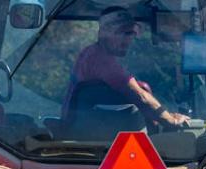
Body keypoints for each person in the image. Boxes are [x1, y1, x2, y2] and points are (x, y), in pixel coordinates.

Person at [62, 6, 190, 127]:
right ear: (102, 33)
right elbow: (140, 97)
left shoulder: (90, 53)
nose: (127, 40)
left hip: (86, 131)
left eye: (130, 33)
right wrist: (170, 120)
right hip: (94, 136)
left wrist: (166, 114)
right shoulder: (102, 60)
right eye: (121, 33)